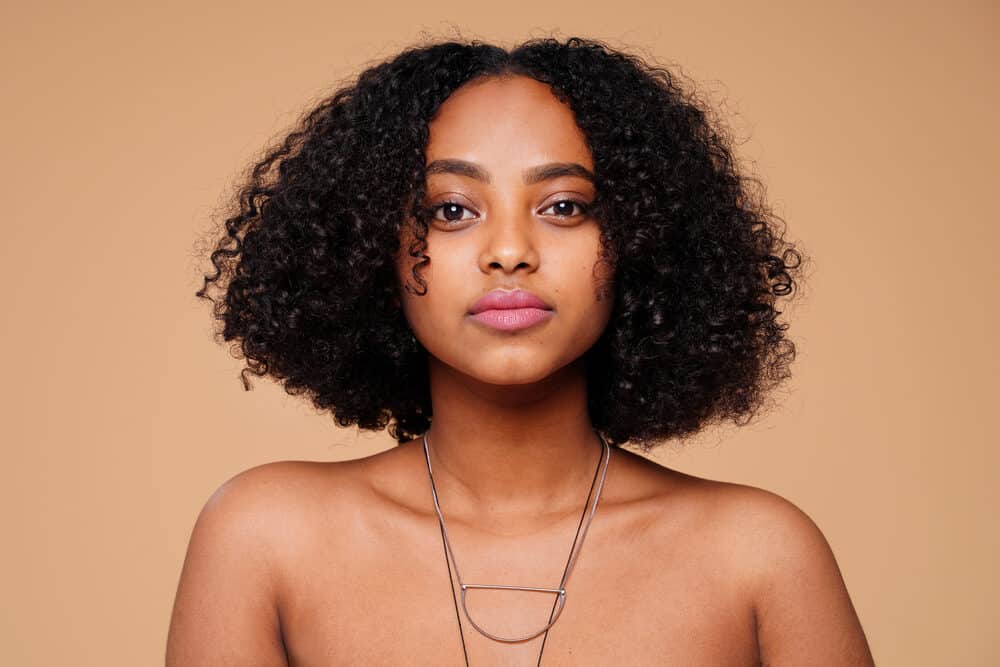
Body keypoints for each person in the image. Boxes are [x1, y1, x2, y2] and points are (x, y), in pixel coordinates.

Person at [166, 36, 874, 665]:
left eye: (564, 206)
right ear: (367, 251)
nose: (509, 251)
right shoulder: (262, 540)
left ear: (641, 241)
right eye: (451, 210)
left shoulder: (760, 558)